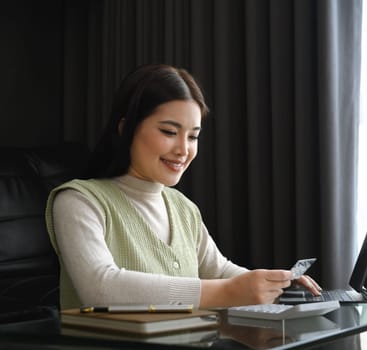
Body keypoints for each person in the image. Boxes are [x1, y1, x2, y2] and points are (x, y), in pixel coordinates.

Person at [45, 63, 321, 310]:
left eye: (193, 137)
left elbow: (219, 270)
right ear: (125, 128)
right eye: (169, 132)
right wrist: (226, 292)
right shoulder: (78, 201)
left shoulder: (183, 207)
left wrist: (278, 284)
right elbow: (100, 288)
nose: (183, 149)